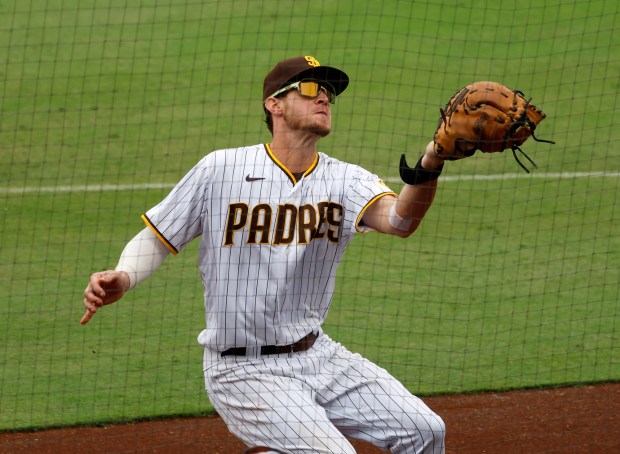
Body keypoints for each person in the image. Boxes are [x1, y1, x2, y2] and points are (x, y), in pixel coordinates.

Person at [81, 55, 446, 453]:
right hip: (242, 369)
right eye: (309, 89)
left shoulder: (346, 178)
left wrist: (431, 161)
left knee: (425, 429)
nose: (323, 97)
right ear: (274, 104)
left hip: (319, 356)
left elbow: (400, 222)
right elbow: (158, 236)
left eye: (328, 92)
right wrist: (124, 275)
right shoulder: (221, 169)